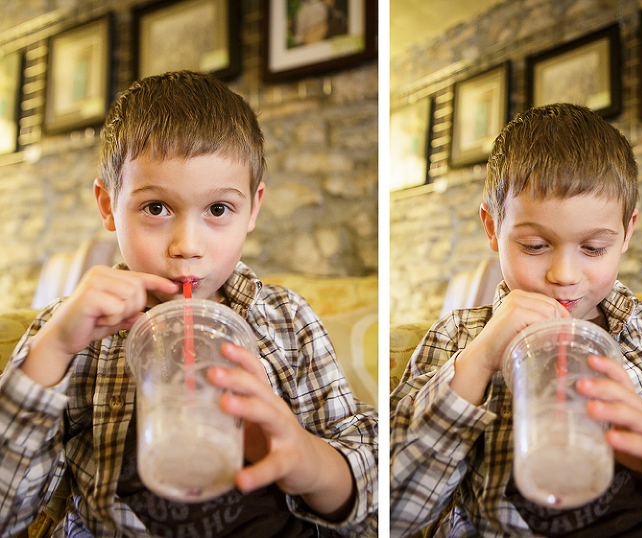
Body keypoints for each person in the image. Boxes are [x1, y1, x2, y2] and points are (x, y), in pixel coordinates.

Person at [0, 71, 377, 538]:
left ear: (253, 209)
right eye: (156, 208)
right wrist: (53, 350)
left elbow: (377, 495)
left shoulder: (288, 322)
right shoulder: (73, 334)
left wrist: (310, 461)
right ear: (107, 205)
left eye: (218, 210)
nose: (187, 245)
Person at [390, 103, 642, 537]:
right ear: (492, 228)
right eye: (533, 245)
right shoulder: (458, 337)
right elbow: (394, 510)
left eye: (593, 248)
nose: (564, 275)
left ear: (626, 234)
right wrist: (479, 359)